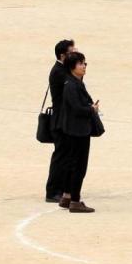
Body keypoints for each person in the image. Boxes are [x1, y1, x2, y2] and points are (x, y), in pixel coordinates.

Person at [57, 52, 100, 213]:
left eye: (84, 63)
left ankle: (67, 196)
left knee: (72, 164)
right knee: (79, 166)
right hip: (77, 131)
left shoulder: (74, 83)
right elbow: (77, 108)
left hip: (74, 130)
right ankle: (75, 200)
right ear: (72, 67)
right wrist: (91, 109)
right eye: (81, 63)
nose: (84, 66)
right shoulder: (72, 85)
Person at [44, 39, 75, 202]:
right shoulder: (59, 72)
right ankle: (52, 191)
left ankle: (62, 188)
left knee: (65, 155)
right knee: (60, 156)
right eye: (72, 52)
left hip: (64, 119)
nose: (75, 55)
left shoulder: (64, 70)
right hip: (60, 120)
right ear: (63, 55)